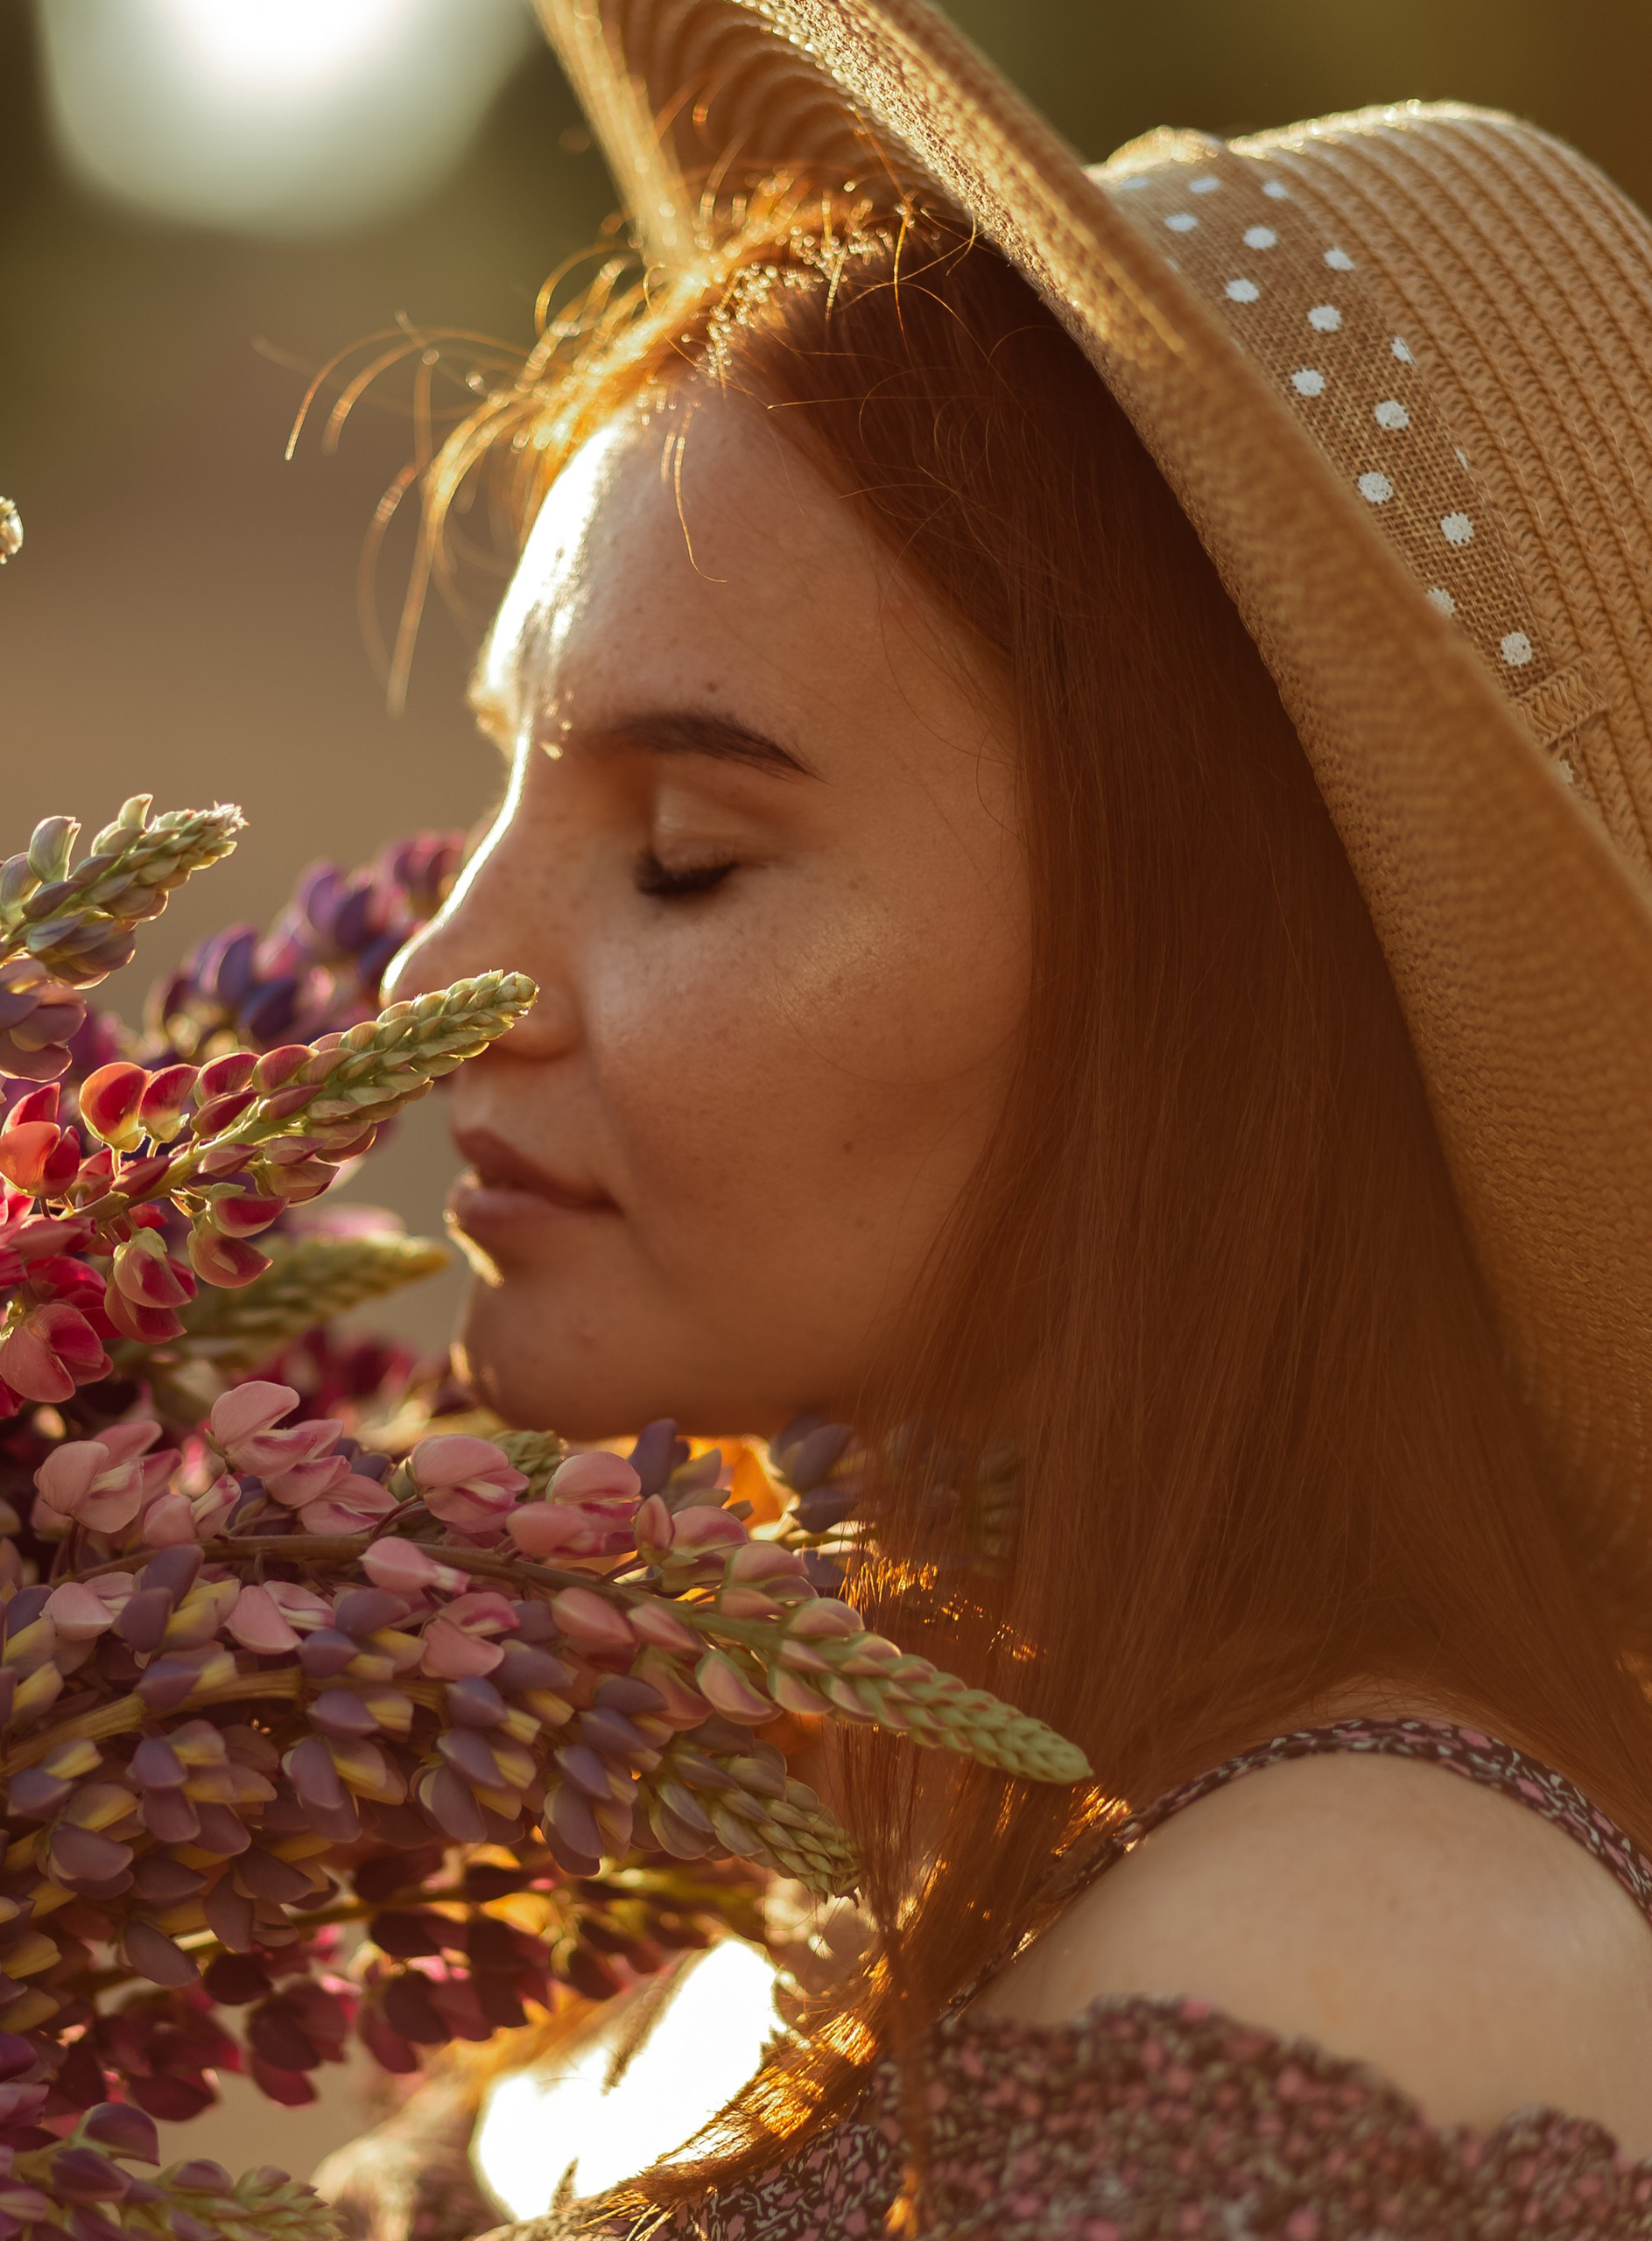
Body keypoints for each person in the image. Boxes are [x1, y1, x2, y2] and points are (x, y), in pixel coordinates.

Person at [362, 0, 1652, 2231]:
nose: (428, 981)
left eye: (682, 852)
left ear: (1196, 994)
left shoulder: (1364, 1950)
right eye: (502, 790)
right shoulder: (839, 1808)